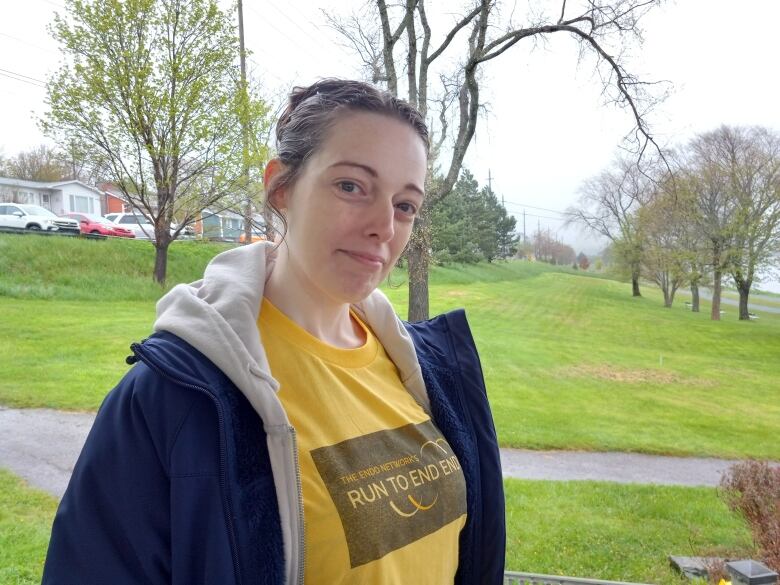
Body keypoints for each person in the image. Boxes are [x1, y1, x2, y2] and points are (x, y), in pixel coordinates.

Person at [43, 79, 505, 585]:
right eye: (351, 186)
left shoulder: (423, 371)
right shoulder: (173, 398)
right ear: (281, 187)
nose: (383, 226)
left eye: (405, 205)